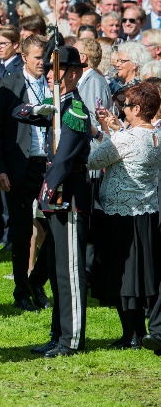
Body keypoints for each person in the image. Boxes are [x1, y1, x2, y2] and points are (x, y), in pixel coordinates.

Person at [15, 46, 92, 358]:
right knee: (58, 266)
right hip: (56, 196)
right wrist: (38, 110)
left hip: (69, 196)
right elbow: (17, 113)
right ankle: (58, 334)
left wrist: (46, 189)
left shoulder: (74, 110)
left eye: (56, 70)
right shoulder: (57, 106)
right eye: (47, 69)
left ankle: (72, 338)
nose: (49, 75)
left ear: (72, 74)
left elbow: (63, 160)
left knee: (70, 270)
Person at [89, 82, 161, 349]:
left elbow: (95, 160)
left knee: (124, 275)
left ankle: (130, 333)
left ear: (138, 108)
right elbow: (124, 144)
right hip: (147, 212)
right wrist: (115, 128)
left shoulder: (126, 140)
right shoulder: (156, 135)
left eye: (126, 106)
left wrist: (105, 132)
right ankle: (143, 331)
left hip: (121, 215)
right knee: (144, 274)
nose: (122, 109)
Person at [0, 34, 50, 312]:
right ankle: (22, 290)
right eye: (38, 57)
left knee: (55, 229)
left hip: (49, 165)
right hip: (19, 166)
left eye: (46, 57)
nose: (43, 62)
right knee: (23, 230)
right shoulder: (8, 84)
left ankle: (37, 279)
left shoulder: (54, 83)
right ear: (24, 57)